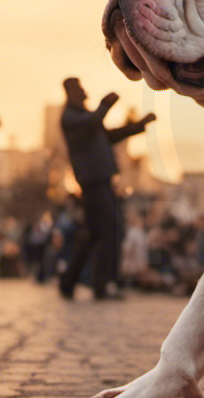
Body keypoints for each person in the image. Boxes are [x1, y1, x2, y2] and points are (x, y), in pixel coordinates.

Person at [58, 78, 155, 300]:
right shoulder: (71, 118)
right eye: (79, 90)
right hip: (93, 181)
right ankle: (103, 284)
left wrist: (139, 126)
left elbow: (109, 135)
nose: (84, 94)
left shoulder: (85, 117)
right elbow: (93, 121)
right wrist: (105, 105)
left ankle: (69, 281)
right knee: (111, 229)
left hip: (100, 181)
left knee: (94, 234)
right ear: (70, 92)